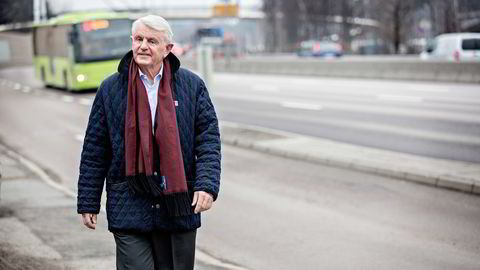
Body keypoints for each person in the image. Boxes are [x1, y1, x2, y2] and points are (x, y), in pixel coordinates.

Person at [77, 14, 221, 270]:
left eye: (152, 41)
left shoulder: (191, 86)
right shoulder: (110, 89)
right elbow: (95, 149)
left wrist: (207, 185)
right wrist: (88, 201)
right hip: (129, 203)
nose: (143, 46)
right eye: (138, 39)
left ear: (167, 49)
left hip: (178, 206)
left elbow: (208, 140)